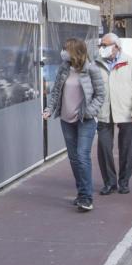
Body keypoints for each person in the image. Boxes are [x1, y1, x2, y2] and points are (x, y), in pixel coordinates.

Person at [43, 38, 105, 212]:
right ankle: (81, 192)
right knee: (74, 158)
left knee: (82, 155)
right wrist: (49, 109)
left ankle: (86, 198)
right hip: (66, 119)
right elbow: (56, 91)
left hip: (85, 120)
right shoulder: (64, 68)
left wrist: (88, 112)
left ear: (76, 51)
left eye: (66, 49)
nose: (63, 52)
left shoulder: (91, 69)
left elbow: (100, 95)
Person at [96, 33, 132, 195]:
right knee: (104, 148)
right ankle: (109, 182)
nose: (102, 48)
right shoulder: (97, 63)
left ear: (116, 46)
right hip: (104, 112)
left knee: (127, 148)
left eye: (105, 45)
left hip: (127, 111)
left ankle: (124, 182)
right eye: (101, 45)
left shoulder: (130, 61)